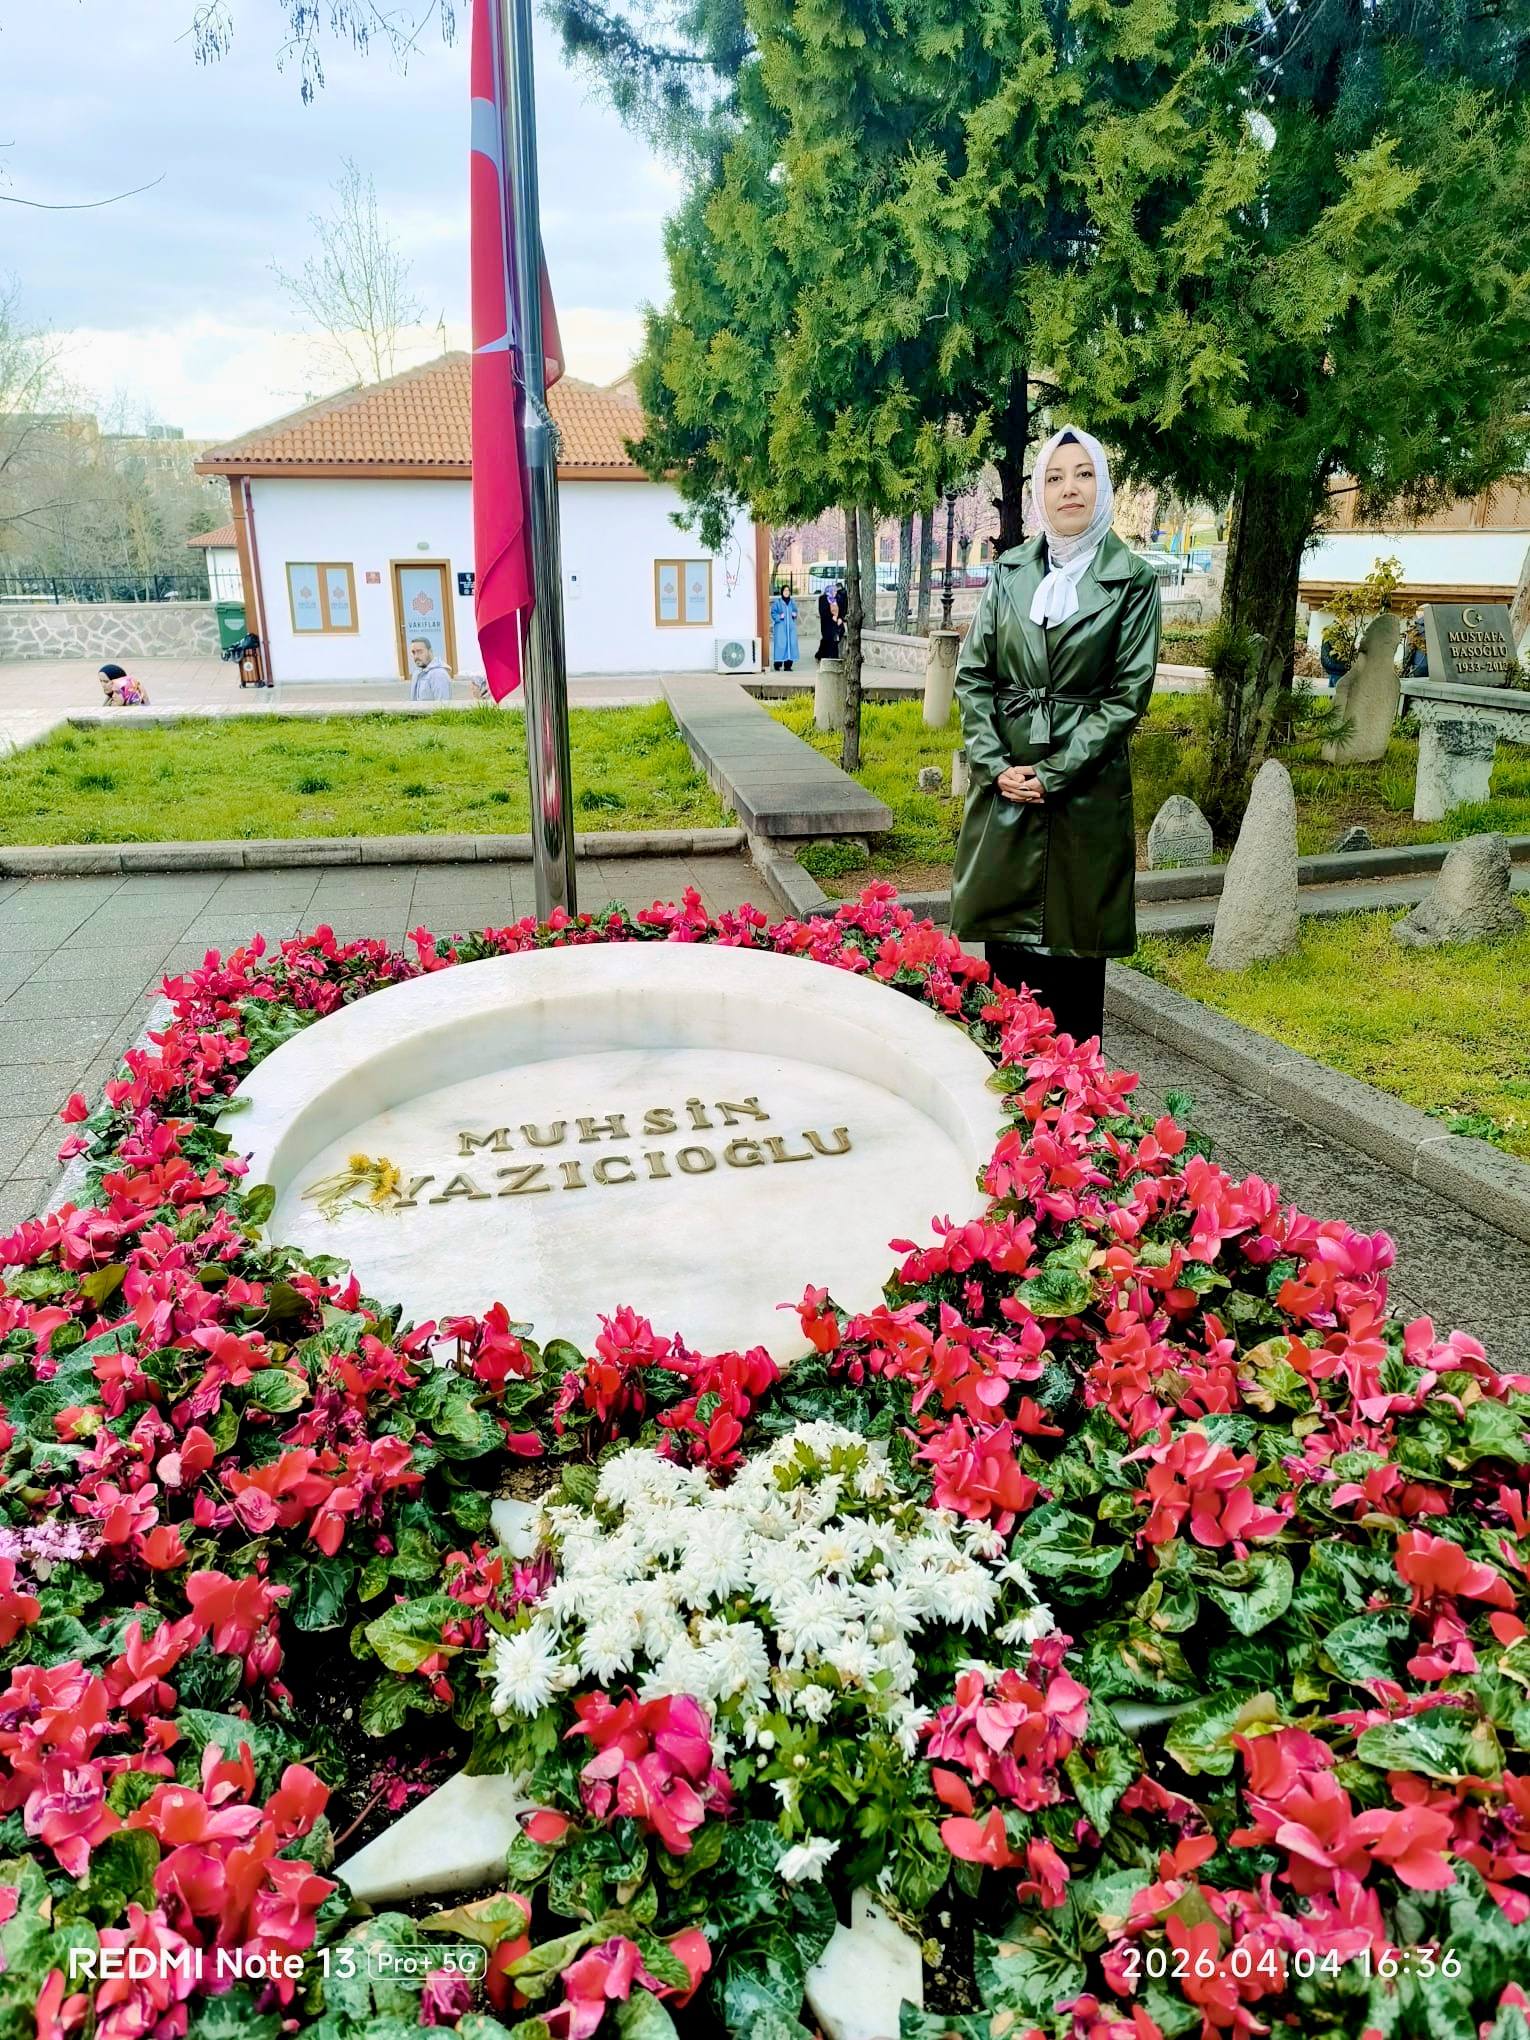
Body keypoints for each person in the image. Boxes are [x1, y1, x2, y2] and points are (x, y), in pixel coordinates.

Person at [950, 424, 1161, 1048]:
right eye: (1054, 477)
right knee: (1005, 974)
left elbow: (1127, 696)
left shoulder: (1133, 582)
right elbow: (973, 676)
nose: (1069, 489)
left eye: (1084, 474)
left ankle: (1071, 1130)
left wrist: (1056, 772)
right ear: (1039, 491)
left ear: (1103, 486)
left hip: (1083, 796)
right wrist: (995, 767)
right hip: (1007, 790)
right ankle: (1008, 1119)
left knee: (1072, 980)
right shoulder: (1010, 572)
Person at [769, 585, 799, 672]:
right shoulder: (777, 602)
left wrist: (794, 614)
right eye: (785, 590)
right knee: (781, 645)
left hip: (790, 628)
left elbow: (795, 611)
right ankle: (777, 664)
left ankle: (788, 666)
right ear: (782, 592)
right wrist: (779, 617)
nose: (786, 592)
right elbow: (773, 613)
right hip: (781, 628)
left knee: (791, 645)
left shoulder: (792, 602)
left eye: (788, 591)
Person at [815, 583, 843, 661]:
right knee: (828, 639)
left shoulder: (837, 598)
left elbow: (841, 610)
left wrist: (840, 618)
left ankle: (831, 656)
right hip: (827, 623)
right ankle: (829, 657)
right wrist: (832, 616)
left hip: (836, 623)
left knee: (835, 639)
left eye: (836, 591)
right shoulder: (823, 598)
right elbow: (822, 612)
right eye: (834, 591)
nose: (835, 593)